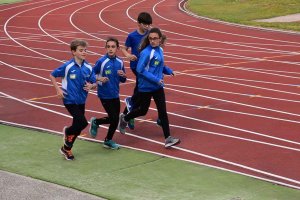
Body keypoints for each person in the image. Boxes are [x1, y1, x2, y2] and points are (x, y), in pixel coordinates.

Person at [118, 28, 180, 148]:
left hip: (157, 87)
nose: (152, 41)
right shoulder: (146, 53)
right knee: (143, 110)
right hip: (146, 87)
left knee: (163, 111)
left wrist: (169, 71)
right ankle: (125, 118)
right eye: (150, 38)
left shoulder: (160, 50)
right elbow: (140, 70)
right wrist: (156, 79)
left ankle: (168, 138)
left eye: (155, 38)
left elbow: (160, 65)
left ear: (160, 39)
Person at [50, 39, 96, 160]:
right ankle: (67, 132)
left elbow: (94, 81)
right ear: (73, 52)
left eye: (85, 50)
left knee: (78, 125)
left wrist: (92, 85)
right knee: (83, 123)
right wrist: (58, 90)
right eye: (81, 50)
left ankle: (66, 149)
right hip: (69, 100)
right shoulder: (67, 66)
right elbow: (52, 75)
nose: (84, 52)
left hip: (82, 100)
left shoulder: (88, 67)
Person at [89, 37, 127, 150]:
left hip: (115, 94)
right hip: (104, 94)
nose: (110, 49)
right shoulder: (102, 61)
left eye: (113, 47)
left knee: (114, 119)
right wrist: (99, 79)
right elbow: (90, 74)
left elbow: (123, 80)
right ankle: (108, 140)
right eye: (108, 47)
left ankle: (96, 122)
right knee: (115, 118)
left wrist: (123, 76)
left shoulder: (120, 62)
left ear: (117, 48)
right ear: (105, 48)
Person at [120, 12, 152, 130]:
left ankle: (128, 112)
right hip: (136, 66)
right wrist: (128, 55)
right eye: (145, 25)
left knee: (139, 91)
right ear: (138, 23)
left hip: (146, 66)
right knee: (141, 90)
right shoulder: (132, 36)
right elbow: (124, 48)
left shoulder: (150, 34)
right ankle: (129, 113)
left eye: (149, 25)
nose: (147, 27)